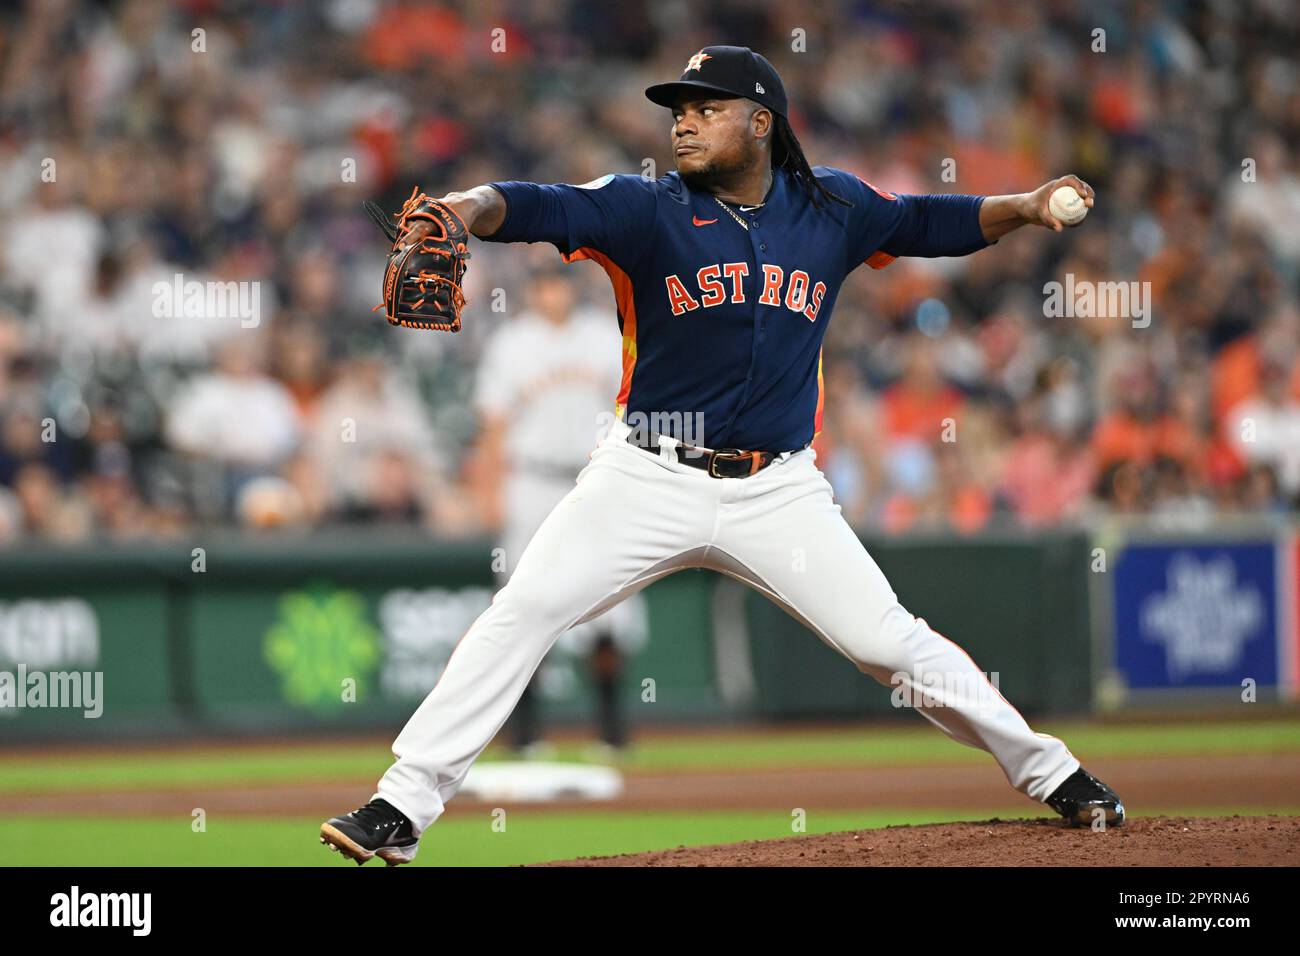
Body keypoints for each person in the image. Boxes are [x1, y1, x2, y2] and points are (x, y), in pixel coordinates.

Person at [321, 46, 1125, 866]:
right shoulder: (647, 209)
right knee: (523, 612)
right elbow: (537, 204)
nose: (684, 123)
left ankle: (1054, 774)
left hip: (777, 489)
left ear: (761, 123)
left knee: (889, 643)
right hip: (645, 472)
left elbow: (928, 221)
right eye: (678, 111)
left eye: (706, 108)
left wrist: (1023, 206)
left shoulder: (829, 208)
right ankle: (402, 804)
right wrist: (462, 205)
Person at [472, 264, 644, 756]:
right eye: (545, 284)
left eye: (561, 283)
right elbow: (493, 424)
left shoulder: (602, 335)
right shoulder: (512, 344)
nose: (554, 292)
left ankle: (612, 730)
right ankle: (525, 733)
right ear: (532, 291)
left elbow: (633, 410)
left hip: (595, 476)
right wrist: (489, 490)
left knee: (612, 603)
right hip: (530, 477)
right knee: (523, 598)